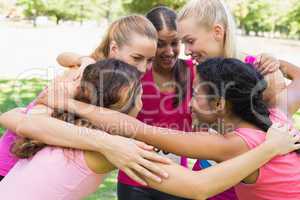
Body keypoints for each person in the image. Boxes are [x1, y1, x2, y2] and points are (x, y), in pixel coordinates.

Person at [1, 58, 300, 200]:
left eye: (197, 92)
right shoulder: (275, 118)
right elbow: (197, 186)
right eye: (140, 95)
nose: (189, 102)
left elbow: (17, 117)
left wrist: (71, 103)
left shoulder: (58, 124)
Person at [0, 15, 165, 184]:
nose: (143, 68)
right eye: (137, 58)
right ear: (114, 48)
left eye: (150, 60)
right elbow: (34, 121)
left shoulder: (116, 79)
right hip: (12, 162)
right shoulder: (83, 76)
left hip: (39, 168)